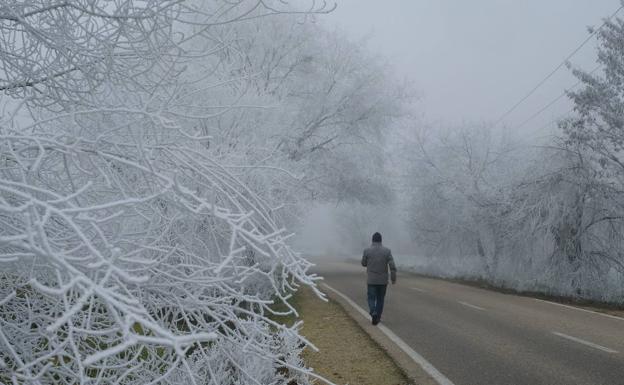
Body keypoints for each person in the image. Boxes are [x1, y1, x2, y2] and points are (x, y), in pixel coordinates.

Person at [361, 232, 396, 325]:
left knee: (371, 298)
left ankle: (373, 312)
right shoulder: (387, 251)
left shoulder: (367, 251)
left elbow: (363, 263)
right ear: (381, 240)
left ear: (372, 240)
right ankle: (378, 316)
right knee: (380, 299)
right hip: (383, 280)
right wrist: (393, 278)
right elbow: (392, 265)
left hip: (371, 280)